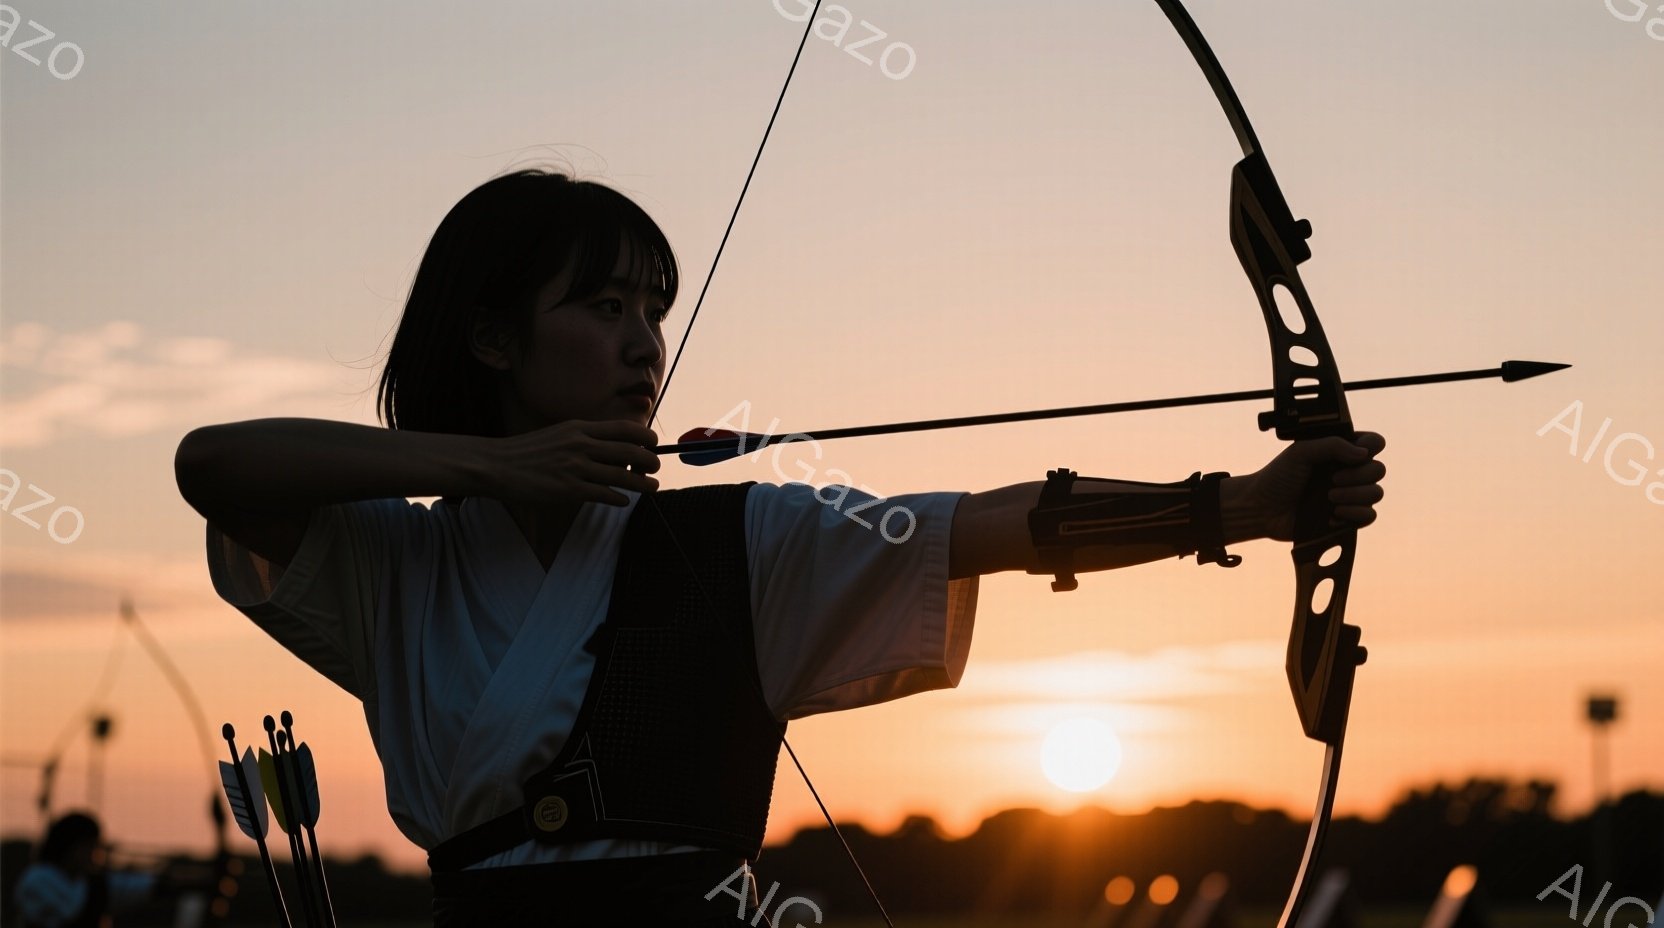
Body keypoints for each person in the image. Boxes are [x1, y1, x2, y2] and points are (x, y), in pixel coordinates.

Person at [175, 169, 1386, 926]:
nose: (644, 341)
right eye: (603, 308)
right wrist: (487, 468)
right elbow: (213, 465)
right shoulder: (399, 566)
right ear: (492, 339)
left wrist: (1243, 505)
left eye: (654, 308)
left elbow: (986, 526)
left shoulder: (740, 536)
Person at [12, 812, 194, 928]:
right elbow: (73, 911)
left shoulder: (90, 884)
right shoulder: (37, 880)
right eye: (91, 847)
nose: (95, 854)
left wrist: (175, 883)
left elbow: (134, 887)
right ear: (73, 847)